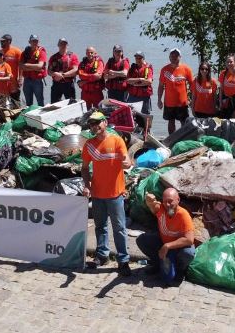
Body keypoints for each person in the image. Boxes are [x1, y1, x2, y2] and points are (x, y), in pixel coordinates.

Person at [81, 111, 134, 275]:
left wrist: (127, 163)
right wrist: (87, 185)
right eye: (91, 124)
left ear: (105, 123)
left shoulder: (117, 140)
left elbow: (127, 161)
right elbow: (84, 168)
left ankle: (123, 260)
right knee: (100, 227)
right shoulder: (89, 145)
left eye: (97, 122)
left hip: (116, 194)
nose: (94, 126)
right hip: (97, 194)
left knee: (119, 228)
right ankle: (102, 255)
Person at [137, 188, 197, 285]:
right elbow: (152, 205)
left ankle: (180, 271)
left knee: (188, 253)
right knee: (142, 240)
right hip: (163, 242)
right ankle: (157, 264)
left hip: (178, 248)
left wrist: (167, 246)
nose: (168, 205)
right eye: (165, 202)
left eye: (170, 201)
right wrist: (148, 201)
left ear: (178, 200)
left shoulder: (183, 215)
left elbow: (189, 240)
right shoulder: (161, 209)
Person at [158, 49, 193, 134]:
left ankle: (183, 140)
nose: (174, 57)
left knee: (184, 123)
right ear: (169, 57)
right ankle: (172, 140)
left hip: (183, 102)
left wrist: (192, 100)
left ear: (180, 57)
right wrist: (159, 100)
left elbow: (192, 85)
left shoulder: (186, 69)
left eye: (176, 56)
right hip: (169, 102)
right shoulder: (164, 70)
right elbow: (161, 86)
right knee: (171, 122)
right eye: (172, 56)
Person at [48, 37, 80, 103]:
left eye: (64, 44)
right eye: (61, 44)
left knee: (71, 104)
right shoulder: (53, 57)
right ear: (58, 45)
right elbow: (49, 71)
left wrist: (62, 75)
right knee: (54, 104)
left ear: (67, 45)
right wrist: (55, 74)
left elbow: (75, 69)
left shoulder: (73, 56)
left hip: (68, 84)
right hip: (56, 84)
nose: (63, 46)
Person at [19, 34, 48, 107]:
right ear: (29, 42)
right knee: (28, 103)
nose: (35, 43)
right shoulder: (25, 52)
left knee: (40, 102)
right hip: (27, 80)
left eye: (36, 41)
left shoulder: (41, 52)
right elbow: (21, 66)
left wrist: (27, 65)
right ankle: (29, 116)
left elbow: (40, 66)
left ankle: (42, 117)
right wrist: (34, 67)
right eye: (33, 41)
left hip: (37, 81)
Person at [0, 34, 23, 102]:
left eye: (3, 41)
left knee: (15, 100)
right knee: (2, 101)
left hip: (13, 80)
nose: (1, 42)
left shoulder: (17, 51)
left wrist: (20, 78)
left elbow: (20, 65)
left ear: (9, 41)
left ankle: (17, 112)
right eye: (1, 41)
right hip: (2, 81)